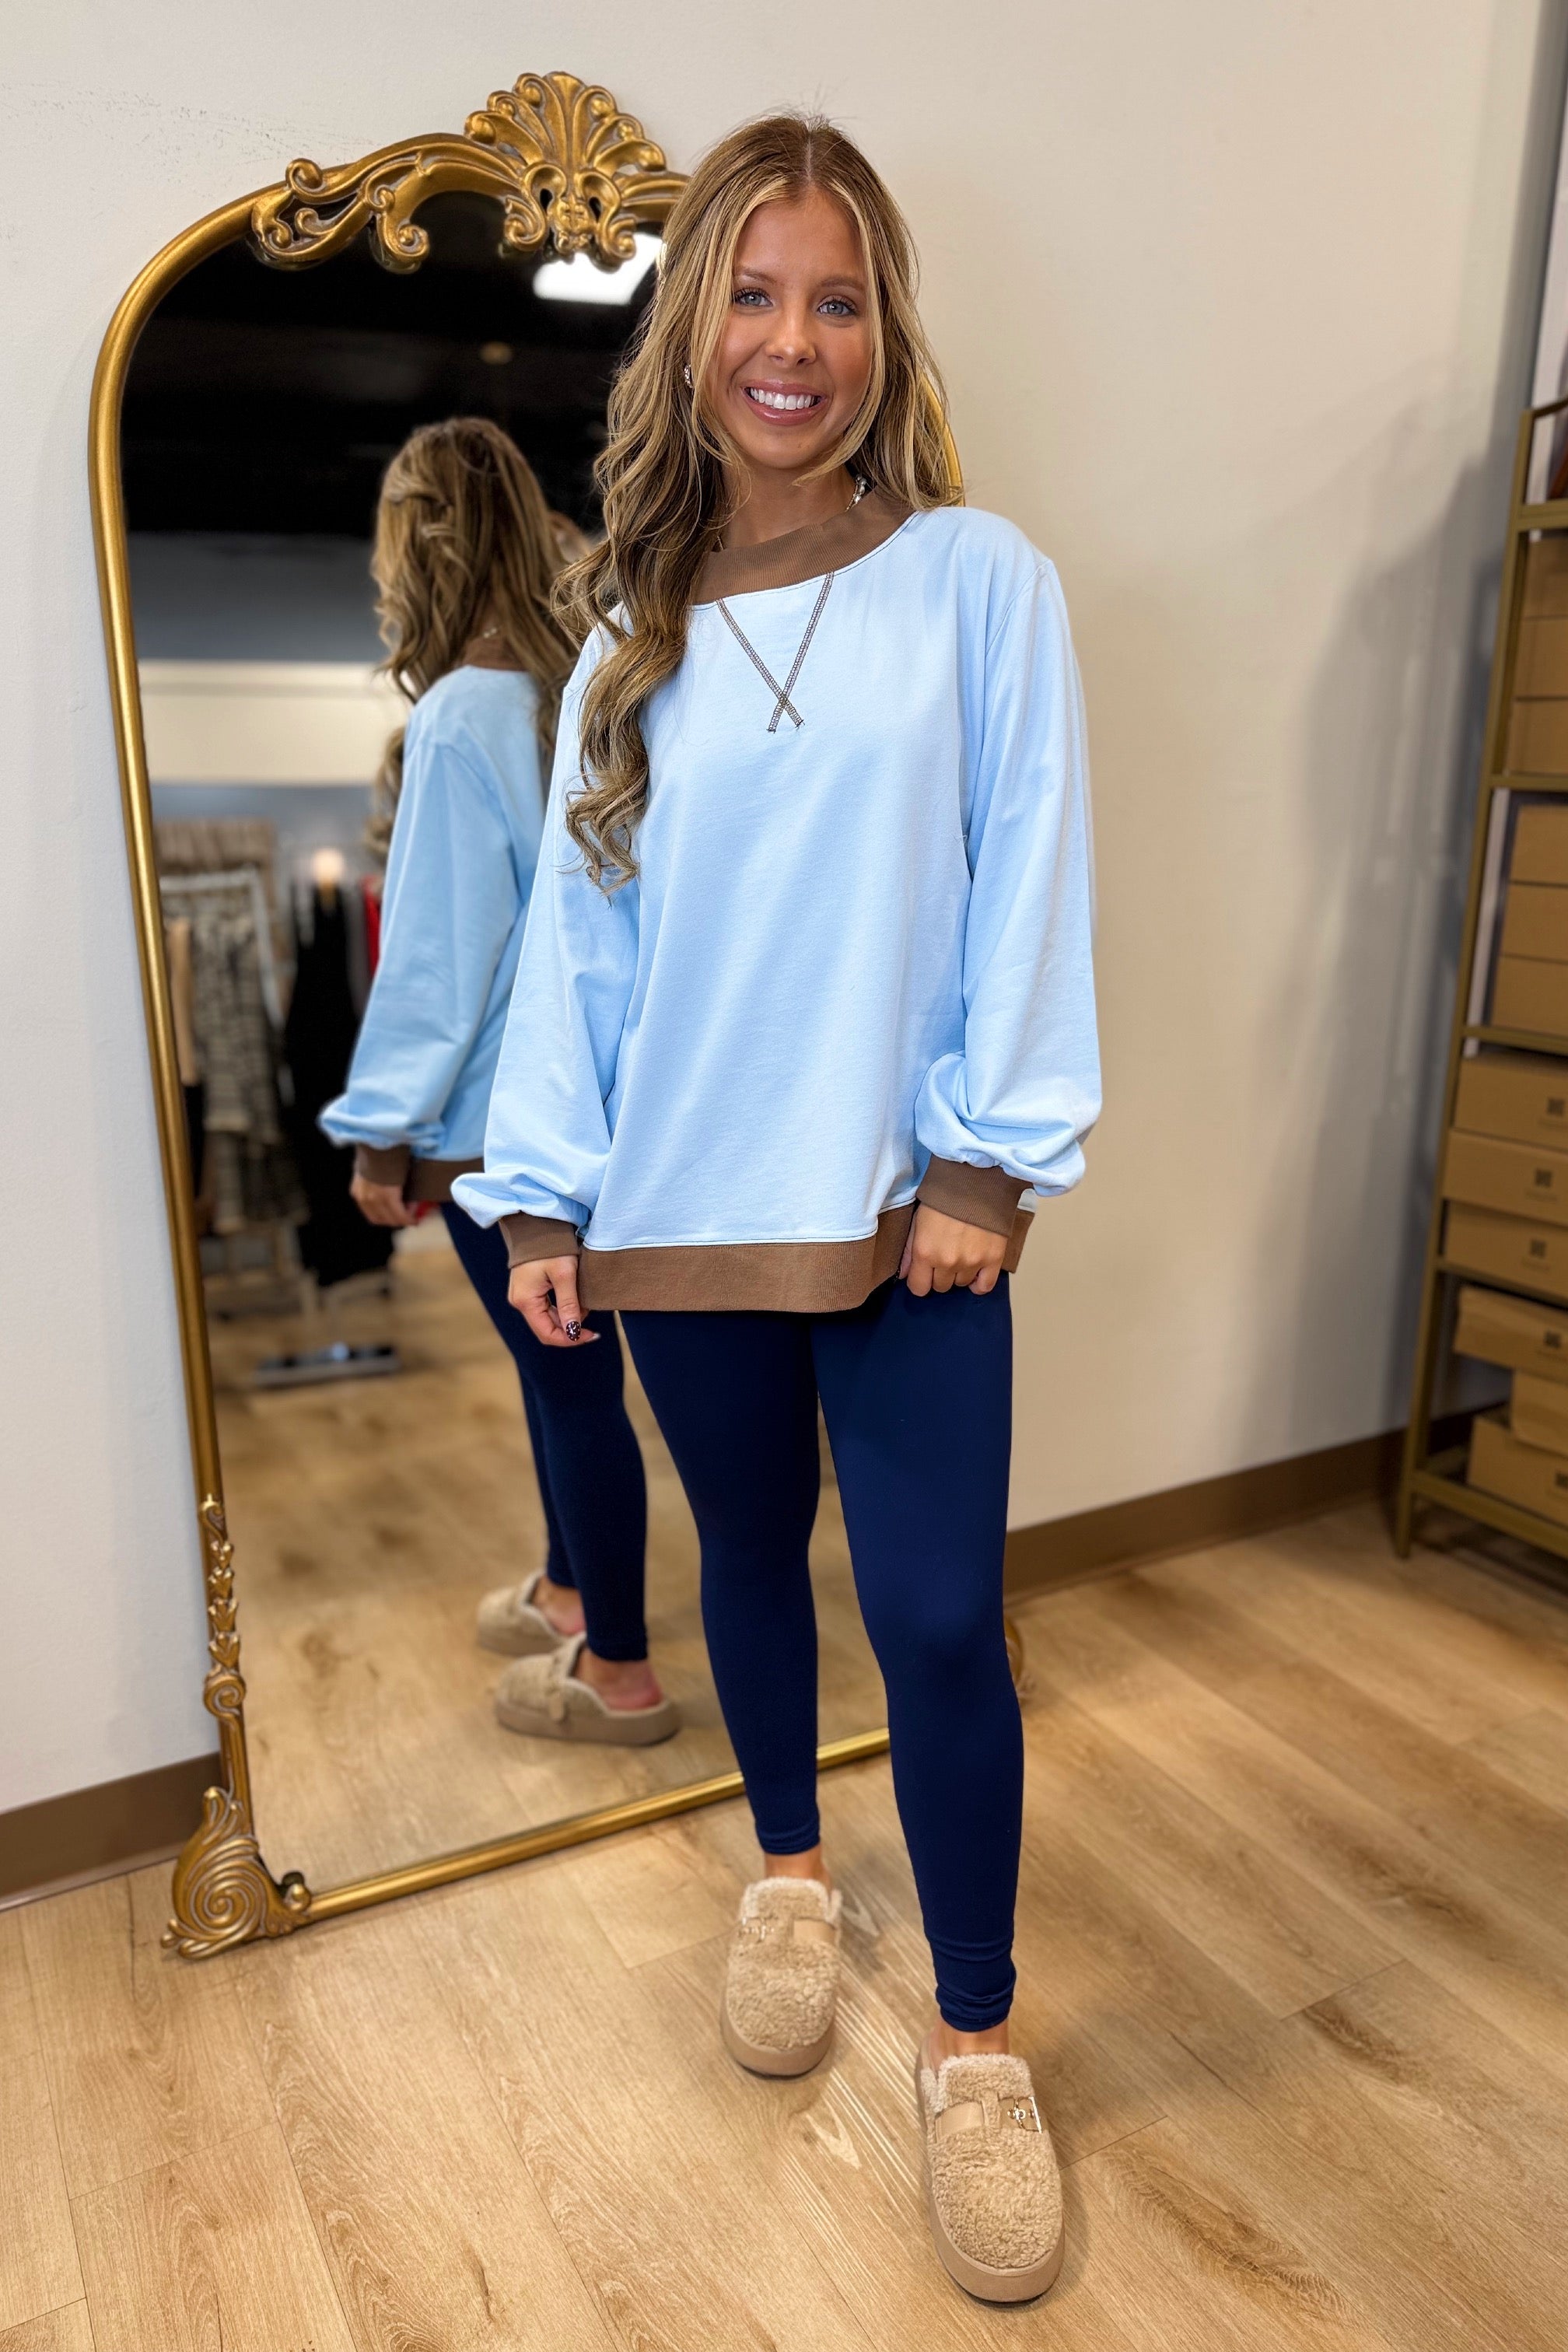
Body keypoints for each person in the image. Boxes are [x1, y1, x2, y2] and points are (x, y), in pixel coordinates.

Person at [455, 115, 1097, 2300]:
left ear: (884, 331)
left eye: (835, 299)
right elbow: (581, 953)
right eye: (750, 293)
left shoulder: (979, 583)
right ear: (691, 331)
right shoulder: (621, 641)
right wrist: (543, 1200)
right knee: (741, 1559)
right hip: (683, 1212)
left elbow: (1030, 866)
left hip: (913, 1217)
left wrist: (989, 1158)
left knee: (935, 1621)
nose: (791, 341)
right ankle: (794, 1874)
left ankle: (979, 2047)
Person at [321, 418, 677, 1747]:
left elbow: (436, 949)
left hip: (494, 1122)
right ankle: (574, 1589)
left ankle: (620, 1672)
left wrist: (382, 1131)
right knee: (562, 1371)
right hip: (607, 1098)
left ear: (415, 548)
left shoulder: (462, 714)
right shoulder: (593, 682)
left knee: (569, 1383)